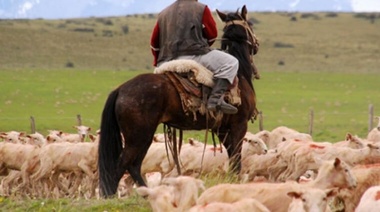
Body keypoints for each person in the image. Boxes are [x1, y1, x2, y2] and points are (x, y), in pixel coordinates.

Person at [150, 0, 239, 114]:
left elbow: (154, 44)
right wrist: (201, 45)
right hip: (194, 55)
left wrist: (159, 62)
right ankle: (215, 99)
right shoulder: (201, 8)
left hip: (167, 59)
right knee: (231, 62)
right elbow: (212, 35)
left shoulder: (163, 13)